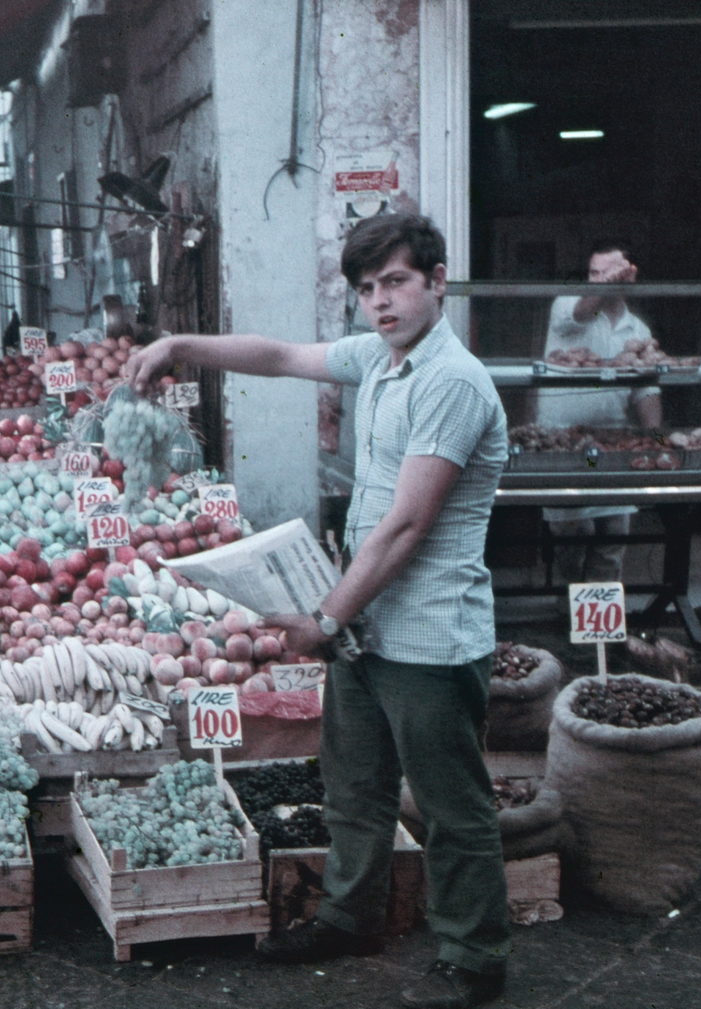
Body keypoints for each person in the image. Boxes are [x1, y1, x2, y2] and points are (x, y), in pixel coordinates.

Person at [126, 213, 511, 1009]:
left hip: (430, 635)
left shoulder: (452, 381)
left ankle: (473, 958)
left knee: (450, 804)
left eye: (397, 282)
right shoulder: (380, 359)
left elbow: (407, 523)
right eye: (367, 289)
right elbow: (278, 355)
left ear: (437, 281)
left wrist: (326, 618)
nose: (381, 301)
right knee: (355, 783)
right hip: (368, 629)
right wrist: (179, 346)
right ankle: (349, 915)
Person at [537, 243, 661, 583]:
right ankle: (571, 611)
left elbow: (647, 391)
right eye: (595, 273)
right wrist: (608, 281)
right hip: (562, 444)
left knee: (611, 540)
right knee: (573, 534)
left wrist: (656, 442)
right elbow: (583, 309)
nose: (600, 280)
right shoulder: (569, 307)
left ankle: (601, 629)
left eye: (609, 273)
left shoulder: (637, 330)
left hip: (614, 446)